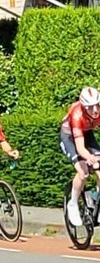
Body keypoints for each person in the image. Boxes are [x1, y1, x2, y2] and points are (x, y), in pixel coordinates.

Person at [60, 87, 100, 227]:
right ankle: (73, 203)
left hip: (87, 133)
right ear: (83, 107)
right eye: (90, 107)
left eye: (97, 105)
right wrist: (89, 157)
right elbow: (80, 148)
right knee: (83, 172)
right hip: (70, 137)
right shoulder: (77, 114)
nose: (95, 110)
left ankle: (95, 199)